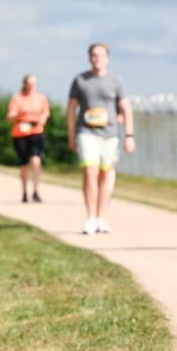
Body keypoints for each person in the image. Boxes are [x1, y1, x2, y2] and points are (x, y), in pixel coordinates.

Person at [67, 42, 135, 235]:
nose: (97, 59)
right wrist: (71, 134)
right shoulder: (80, 80)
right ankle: (90, 217)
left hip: (110, 134)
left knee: (106, 173)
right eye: (94, 55)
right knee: (90, 171)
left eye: (101, 55)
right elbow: (71, 108)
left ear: (108, 58)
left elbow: (126, 109)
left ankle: (100, 216)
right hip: (86, 132)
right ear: (90, 58)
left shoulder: (116, 81)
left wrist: (129, 135)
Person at [6, 74, 50, 203]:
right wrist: (19, 114)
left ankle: (35, 191)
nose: (32, 86)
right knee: (24, 164)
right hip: (20, 133)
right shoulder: (17, 98)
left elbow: (46, 112)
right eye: (29, 83)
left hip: (36, 132)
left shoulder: (41, 98)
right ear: (24, 84)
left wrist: (42, 119)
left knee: (36, 161)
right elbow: (9, 115)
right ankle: (25, 192)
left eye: (34, 84)